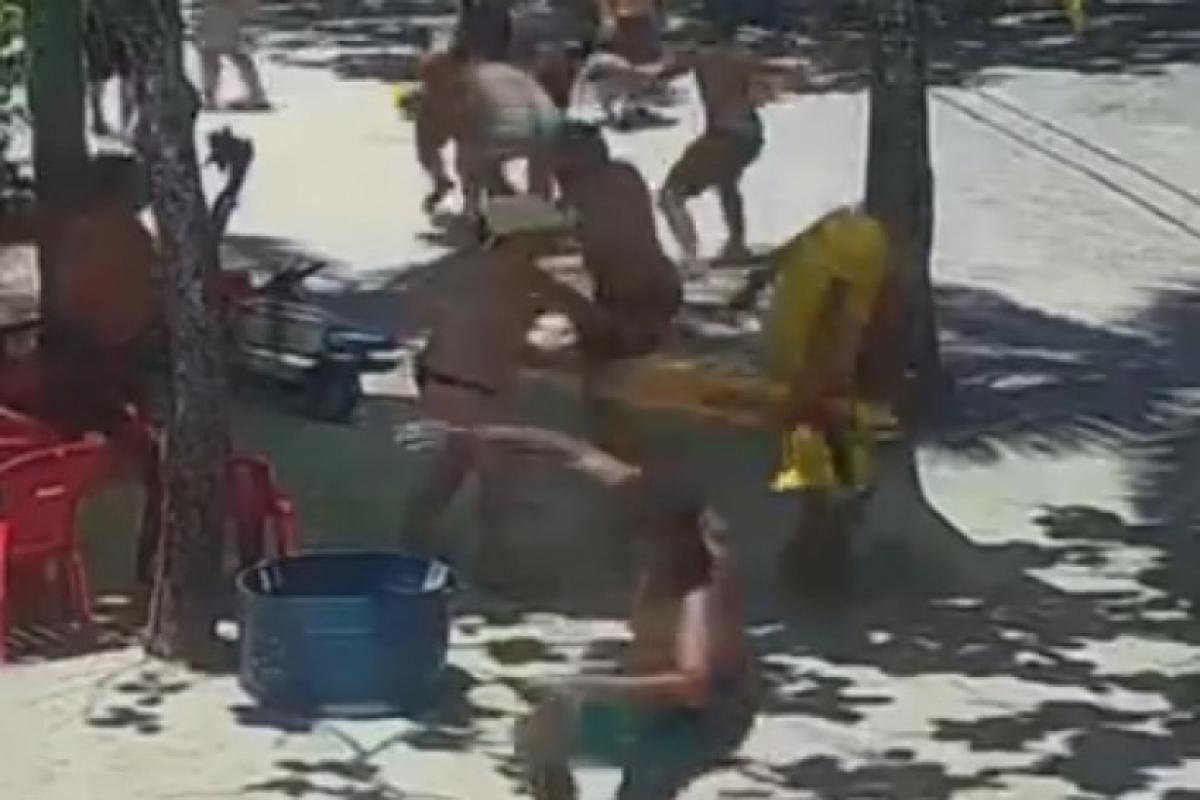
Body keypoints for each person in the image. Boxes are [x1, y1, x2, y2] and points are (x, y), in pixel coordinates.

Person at [447, 426, 755, 800]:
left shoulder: (701, 582)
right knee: (540, 730)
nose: (630, 528)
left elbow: (694, 687)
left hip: (705, 719)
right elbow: (575, 453)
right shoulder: (665, 514)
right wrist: (478, 434)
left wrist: (588, 687)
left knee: (641, 778)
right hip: (655, 683)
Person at [401, 196, 575, 568]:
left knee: (453, 469)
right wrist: (562, 359)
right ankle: (495, 565)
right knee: (498, 482)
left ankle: (416, 545)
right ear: (520, 237)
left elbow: (424, 315)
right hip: (473, 389)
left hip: (444, 382)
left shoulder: (464, 269)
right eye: (545, 237)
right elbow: (508, 344)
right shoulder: (520, 280)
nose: (553, 245)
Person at [541, 123, 682, 457]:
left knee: (599, 363)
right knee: (629, 351)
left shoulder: (579, 192)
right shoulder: (625, 174)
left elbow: (551, 231)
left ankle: (614, 444)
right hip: (663, 282)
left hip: (626, 292)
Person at [655, 19, 792, 272]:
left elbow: (660, 74)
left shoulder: (702, 57)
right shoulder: (741, 57)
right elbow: (773, 78)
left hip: (724, 136)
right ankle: (736, 245)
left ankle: (692, 257)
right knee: (726, 181)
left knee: (670, 195)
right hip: (750, 137)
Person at [197, 0, 270, 111]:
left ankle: (256, 95)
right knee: (218, 54)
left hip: (230, 12)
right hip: (224, 13)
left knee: (224, 53)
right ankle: (256, 95)